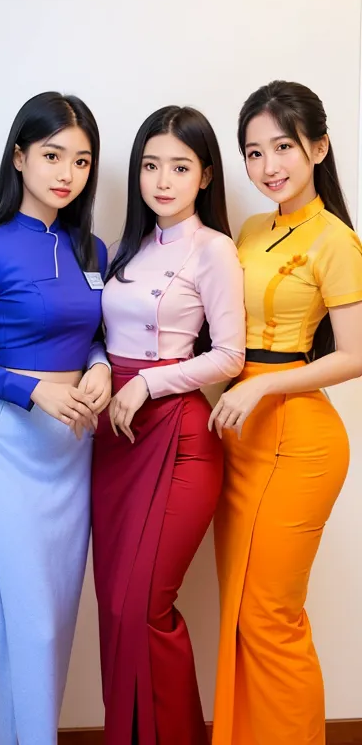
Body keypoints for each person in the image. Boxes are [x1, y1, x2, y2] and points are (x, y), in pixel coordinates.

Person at [0, 91, 111, 745]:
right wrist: (31, 390)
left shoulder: (94, 249)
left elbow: (96, 332)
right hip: (1, 456)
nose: (67, 172)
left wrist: (99, 367)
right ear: (19, 157)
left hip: (72, 457)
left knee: (52, 630)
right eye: (52, 154)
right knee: (27, 630)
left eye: (82, 160)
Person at [209, 80, 362, 745]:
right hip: (241, 439)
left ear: (318, 147)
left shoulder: (334, 239)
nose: (268, 165)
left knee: (271, 614)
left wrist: (262, 388)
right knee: (241, 610)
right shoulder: (249, 227)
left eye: (283, 147)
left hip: (299, 442)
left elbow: (356, 354)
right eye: (253, 151)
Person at [92, 105, 246, 745]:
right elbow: (100, 332)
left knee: (145, 607)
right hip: (114, 439)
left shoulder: (214, 249)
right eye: (151, 166)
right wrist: (103, 367)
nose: (162, 180)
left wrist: (149, 380)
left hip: (178, 436)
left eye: (180, 167)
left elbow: (230, 354)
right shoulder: (128, 247)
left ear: (205, 174)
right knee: (115, 609)